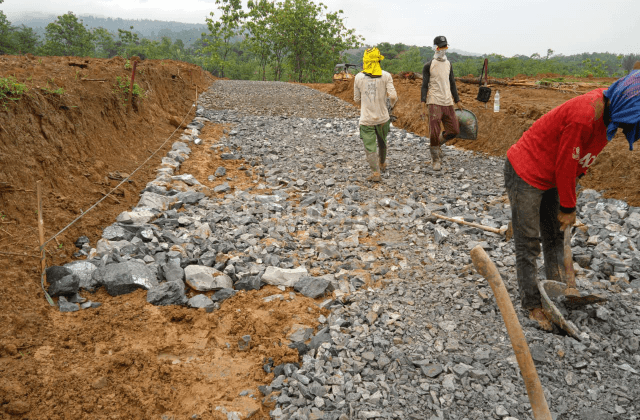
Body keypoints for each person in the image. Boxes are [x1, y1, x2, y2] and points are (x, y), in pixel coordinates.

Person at [504, 70, 640, 330]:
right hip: (526, 171)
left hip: (554, 175)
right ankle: (532, 304)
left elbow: (578, 162)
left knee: (555, 235)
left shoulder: (609, 119)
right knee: (529, 242)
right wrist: (568, 206)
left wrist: (568, 201)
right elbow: (566, 164)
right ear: (625, 101)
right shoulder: (584, 115)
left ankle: (559, 290)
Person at [354, 47, 398, 182]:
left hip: (367, 119)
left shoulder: (358, 77)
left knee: (370, 146)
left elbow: (356, 99)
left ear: (365, 61)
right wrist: (391, 107)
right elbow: (394, 96)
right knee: (382, 141)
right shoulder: (386, 75)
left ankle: (375, 173)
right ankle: (382, 163)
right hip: (383, 117)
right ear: (379, 60)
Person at [420, 35, 464, 171]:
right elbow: (424, 86)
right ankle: (435, 159)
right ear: (435, 48)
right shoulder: (429, 65)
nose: (443, 49)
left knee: (454, 130)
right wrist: (423, 104)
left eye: (445, 47)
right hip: (434, 101)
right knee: (434, 131)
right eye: (440, 47)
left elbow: (452, 83)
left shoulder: (448, 64)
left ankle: (436, 144)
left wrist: (457, 100)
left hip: (447, 101)